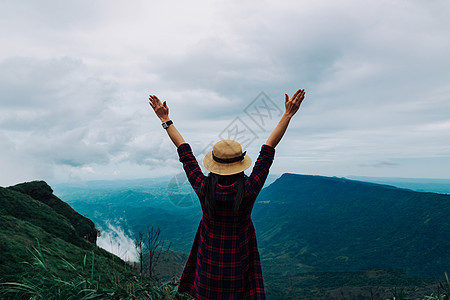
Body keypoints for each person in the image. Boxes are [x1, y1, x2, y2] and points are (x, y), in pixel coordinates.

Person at [149, 89, 306, 299]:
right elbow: (268, 150)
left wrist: (165, 119)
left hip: (208, 271)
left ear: (214, 164)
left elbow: (184, 151)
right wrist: (287, 115)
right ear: (240, 164)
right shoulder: (249, 189)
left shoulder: (203, 188)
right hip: (239, 269)